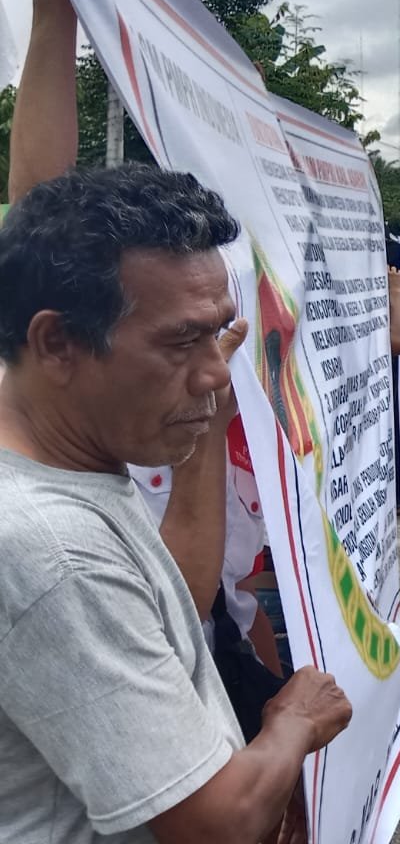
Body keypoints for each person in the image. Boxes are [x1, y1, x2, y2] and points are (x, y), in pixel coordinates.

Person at [0, 162, 352, 843]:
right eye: (183, 341)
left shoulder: (65, 440)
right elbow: (213, 826)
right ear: (56, 343)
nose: (219, 372)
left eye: (220, 334)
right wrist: (292, 725)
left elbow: (166, 610)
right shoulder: (53, 552)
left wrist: (205, 430)